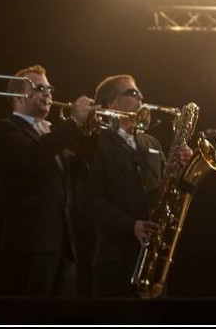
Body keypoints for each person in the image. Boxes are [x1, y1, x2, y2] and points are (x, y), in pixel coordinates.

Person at [79, 74, 191, 297]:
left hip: (153, 258)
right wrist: (131, 225)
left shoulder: (151, 143)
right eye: (132, 93)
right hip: (115, 259)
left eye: (139, 92)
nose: (141, 97)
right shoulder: (95, 142)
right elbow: (90, 201)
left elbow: (162, 189)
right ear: (111, 104)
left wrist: (181, 170)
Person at [0, 65, 95, 296]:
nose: (48, 94)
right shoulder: (5, 129)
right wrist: (74, 123)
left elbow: (82, 171)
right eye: (40, 88)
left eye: (49, 88)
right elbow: (32, 160)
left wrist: (86, 133)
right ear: (18, 97)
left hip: (63, 247)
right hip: (31, 246)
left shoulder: (51, 134)